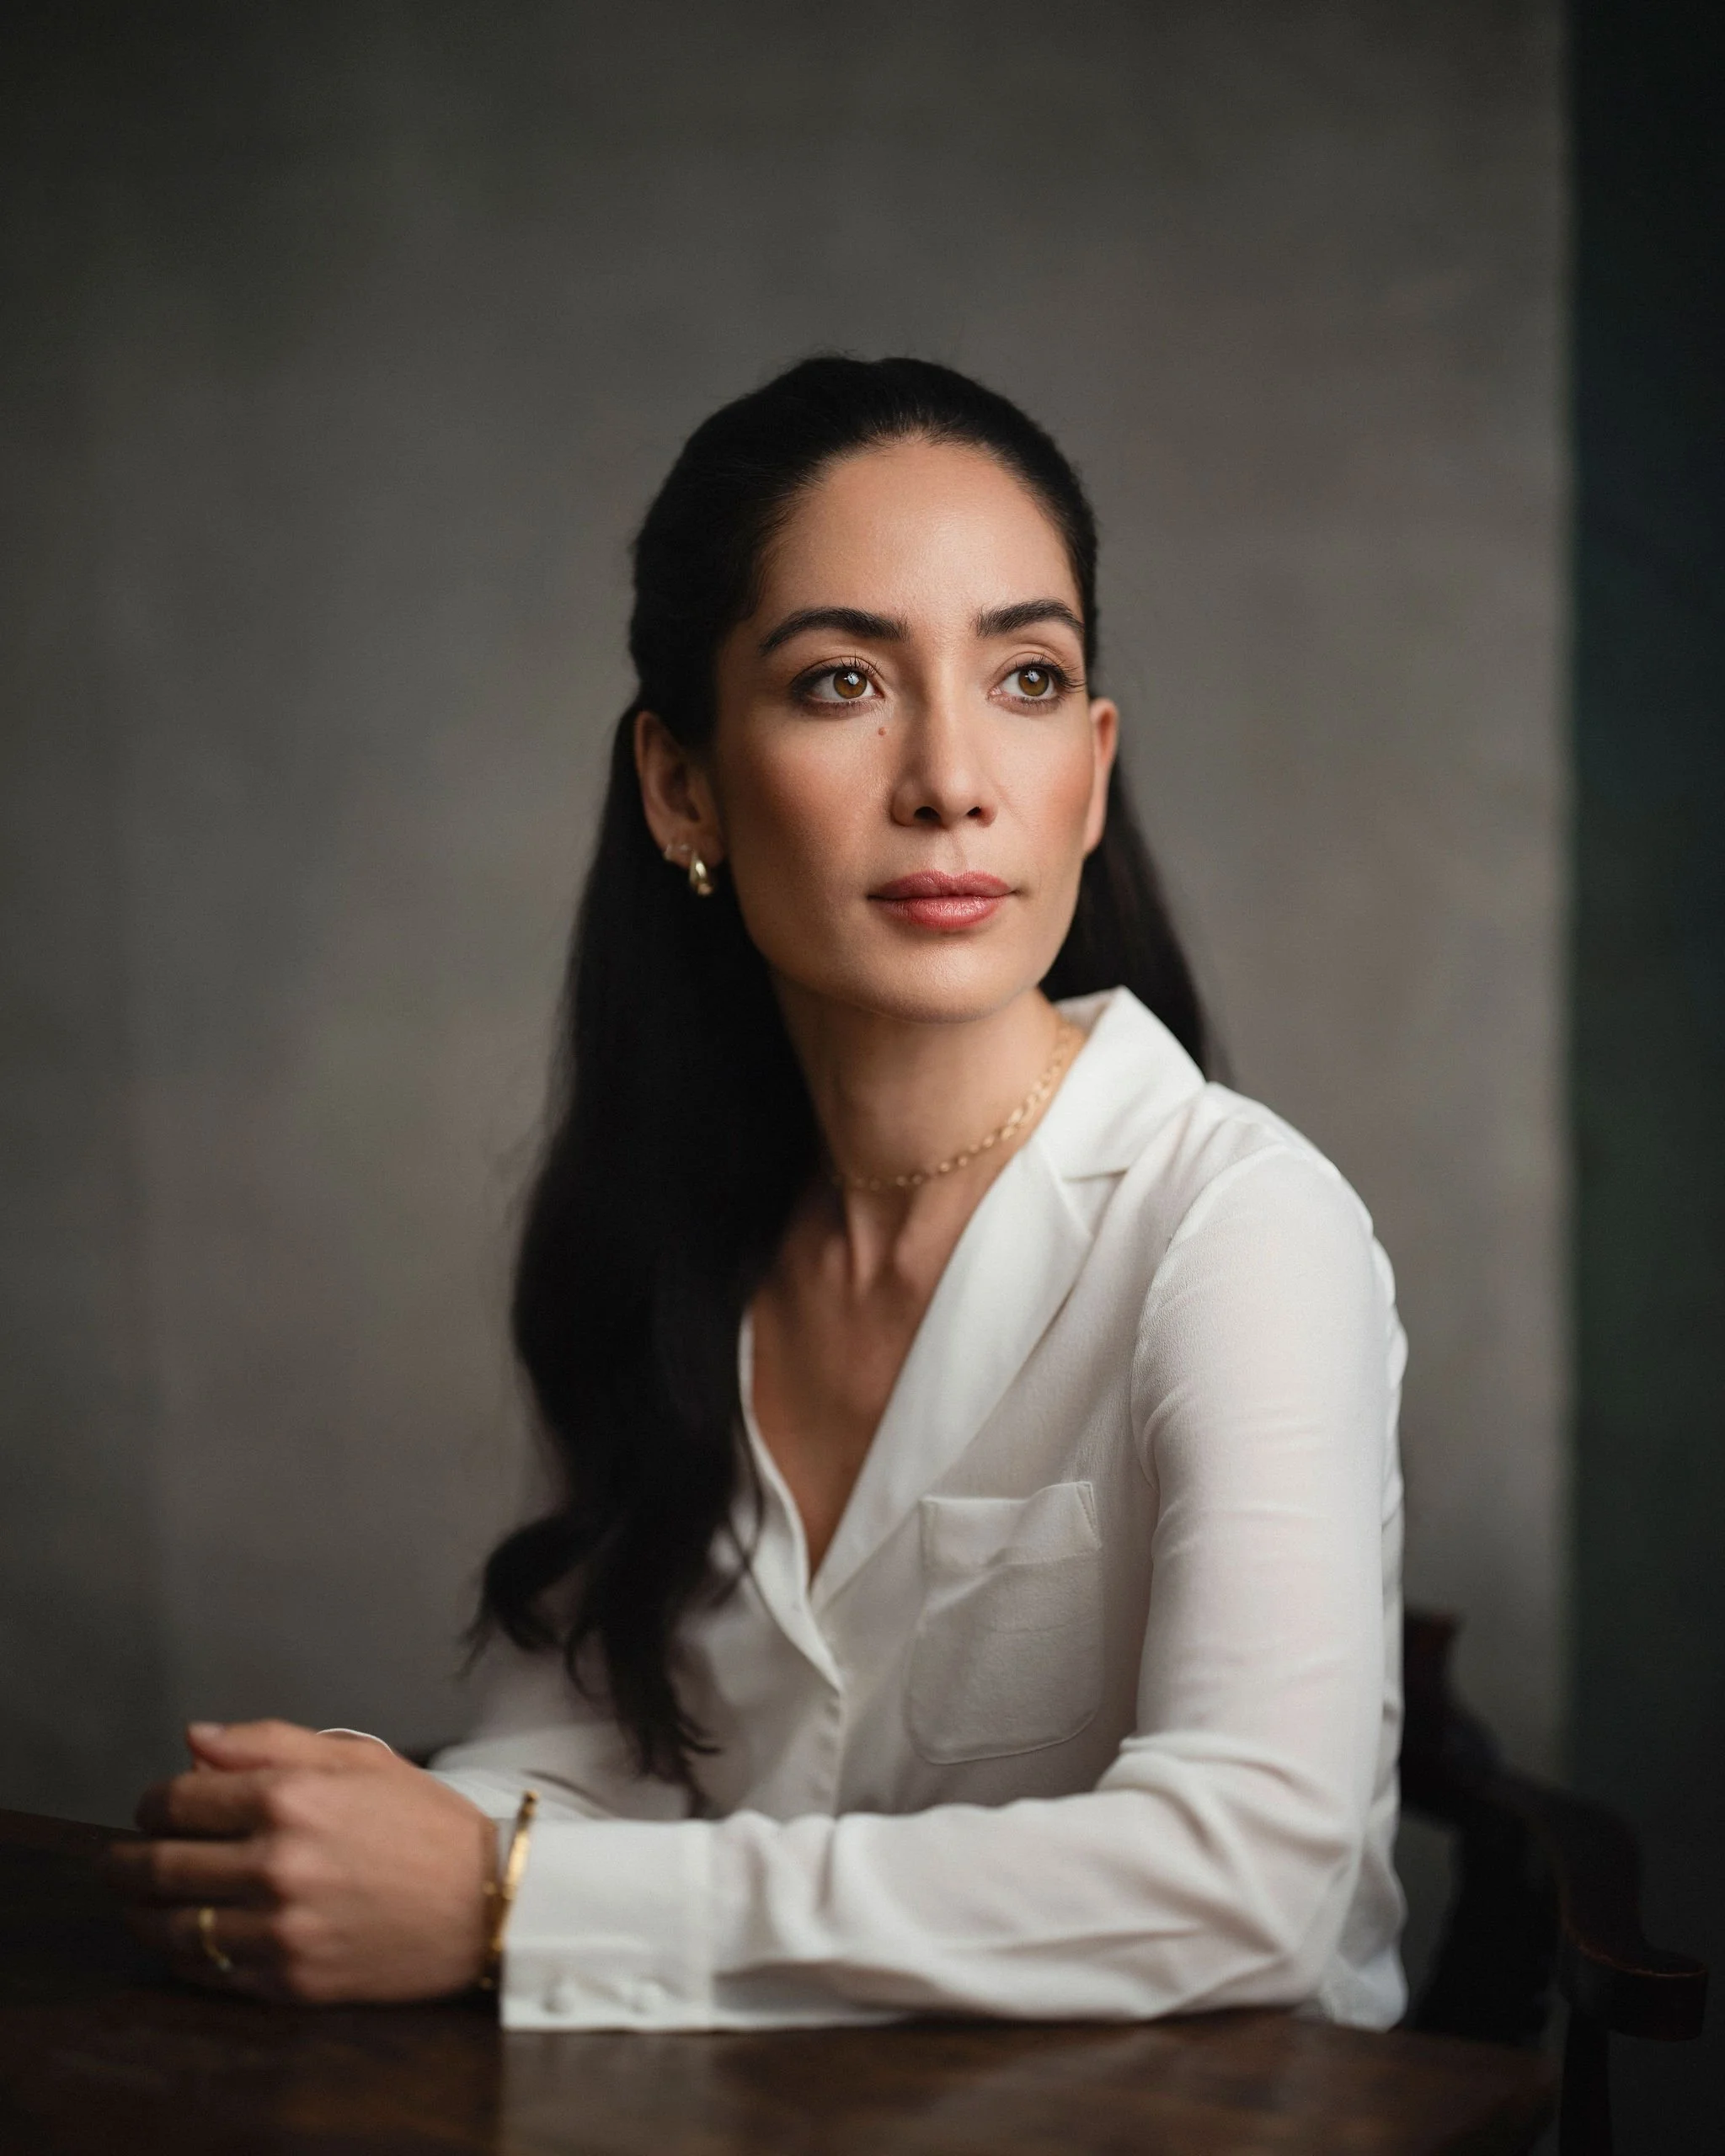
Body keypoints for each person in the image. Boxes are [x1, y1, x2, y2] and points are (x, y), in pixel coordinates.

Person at [107, 355, 1407, 2031]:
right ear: (682, 785)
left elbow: (1250, 1880)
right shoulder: (666, 1241)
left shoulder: (1237, 1227)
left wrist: (512, 1902)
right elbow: (581, 1759)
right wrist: (355, 1825)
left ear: (1090, 767)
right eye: (841, 682)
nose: (951, 775)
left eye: (1023, 674)